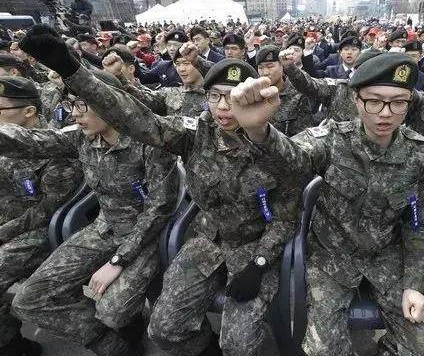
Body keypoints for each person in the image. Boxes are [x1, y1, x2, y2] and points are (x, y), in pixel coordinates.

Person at [19, 26, 305, 356]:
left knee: (239, 345)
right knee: (164, 330)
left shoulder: (273, 147)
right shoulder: (194, 135)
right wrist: (73, 71)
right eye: (215, 95)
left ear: (252, 98)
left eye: (233, 96)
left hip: (255, 247)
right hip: (207, 243)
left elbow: (286, 214)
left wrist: (259, 262)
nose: (224, 106)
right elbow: (133, 117)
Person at [228, 52, 424, 356]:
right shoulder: (332, 139)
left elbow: (421, 225)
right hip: (332, 259)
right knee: (323, 350)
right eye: (374, 101)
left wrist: (415, 285)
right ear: (356, 100)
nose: (385, 113)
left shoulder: (420, 154)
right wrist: (258, 131)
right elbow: (293, 161)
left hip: (388, 259)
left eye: (398, 102)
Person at [9, 70, 179, 356]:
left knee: (112, 310)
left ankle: (125, 328)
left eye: (82, 104)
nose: (74, 113)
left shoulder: (148, 141)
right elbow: (32, 141)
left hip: (146, 236)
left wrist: (119, 260)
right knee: (30, 299)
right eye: (71, 104)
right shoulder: (82, 139)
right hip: (104, 228)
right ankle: (113, 345)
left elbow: (159, 209)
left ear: (110, 103)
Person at [0, 76, 82, 356]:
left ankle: (10, 344)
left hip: (38, 230)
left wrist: (4, 232)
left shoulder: (56, 149)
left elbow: (49, 209)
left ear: (29, 111)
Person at [103, 44, 208, 118]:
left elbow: (215, 70)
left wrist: (198, 60)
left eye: (186, 63)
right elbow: (144, 98)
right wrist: (119, 76)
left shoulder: (213, 94)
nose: (181, 69)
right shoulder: (171, 93)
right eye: (178, 64)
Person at [256, 45, 315, 136]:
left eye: (270, 66)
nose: (265, 72)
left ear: (282, 66)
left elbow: (303, 136)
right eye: (260, 68)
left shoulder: (298, 93)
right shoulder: (255, 94)